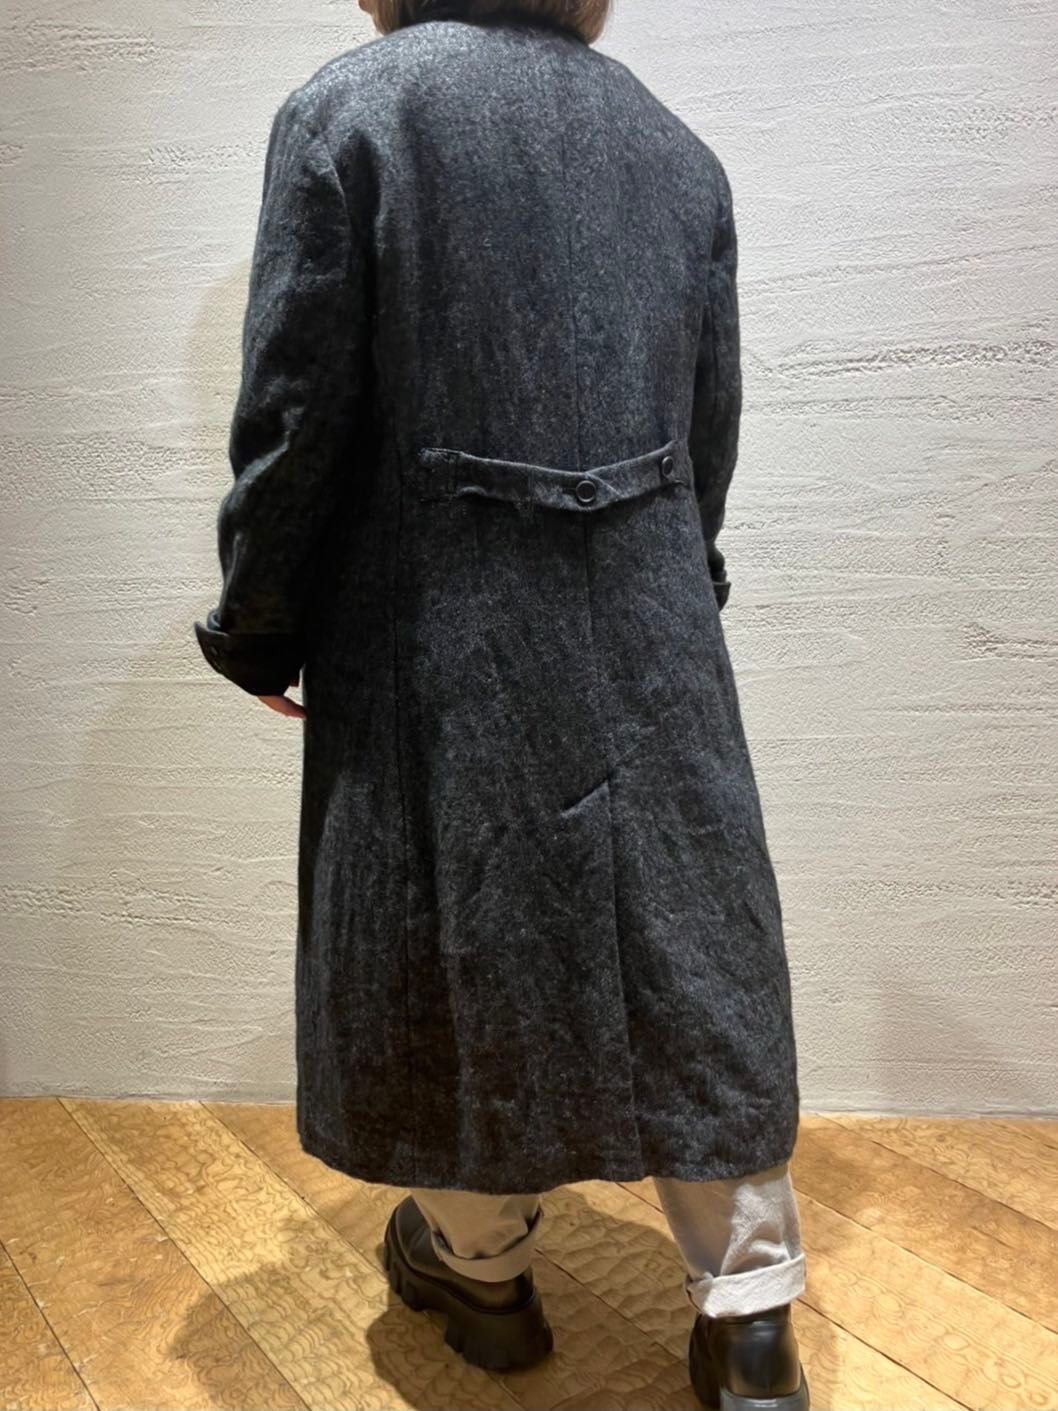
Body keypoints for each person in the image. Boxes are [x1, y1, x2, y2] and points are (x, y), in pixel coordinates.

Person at [193, 1, 810, 1406]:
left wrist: (262, 616)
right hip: (646, 614)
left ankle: (482, 1277)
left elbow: (295, 412)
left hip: (431, 619)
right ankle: (749, 1315)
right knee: (689, 949)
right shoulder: (674, 149)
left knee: (449, 938)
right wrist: (672, 582)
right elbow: (708, 419)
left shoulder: (352, 113)